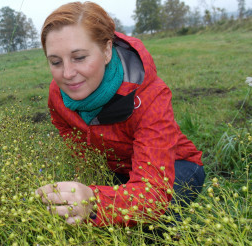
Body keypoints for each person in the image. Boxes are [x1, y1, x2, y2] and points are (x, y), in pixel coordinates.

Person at [36, 1, 205, 228]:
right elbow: (65, 126)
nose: (67, 73)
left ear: (106, 51)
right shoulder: (57, 94)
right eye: (55, 62)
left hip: (177, 166)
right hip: (119, 169)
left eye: (79, 58)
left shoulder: (151, 95)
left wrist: (95, 201)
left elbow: (153, 193)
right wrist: (89, 172)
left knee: (151, 228)